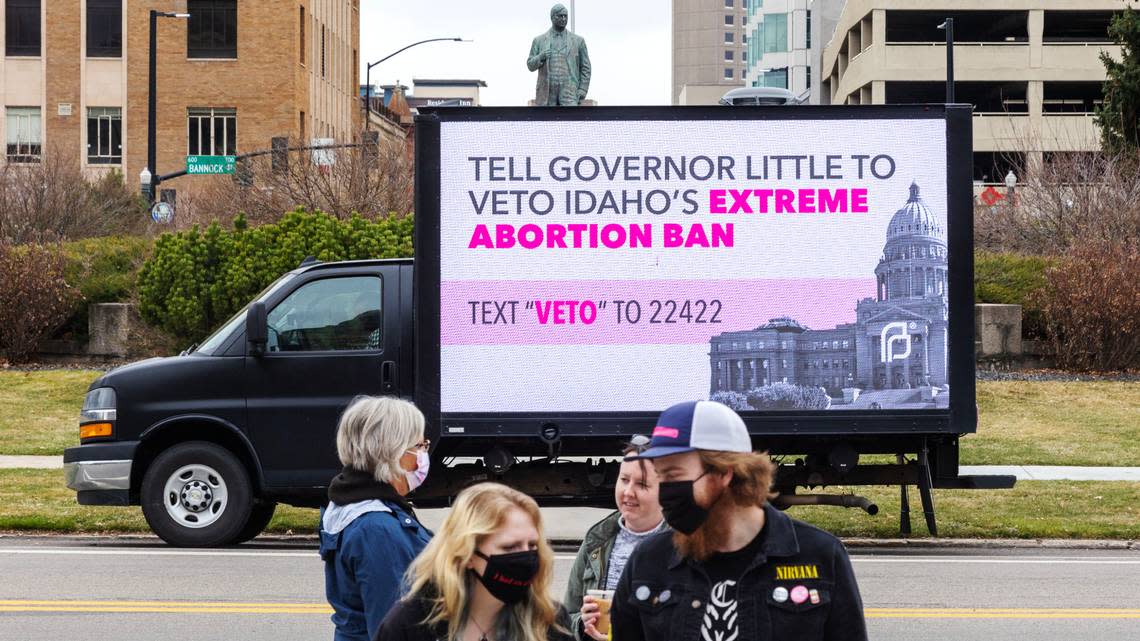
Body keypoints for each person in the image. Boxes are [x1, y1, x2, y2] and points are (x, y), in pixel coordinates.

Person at [610, 400, 867, 641]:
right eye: (660, 477)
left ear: (724, 472)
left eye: (673, 475)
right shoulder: (648, 561)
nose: (664, 491)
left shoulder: (820, 556)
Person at [376, 483, 572, 641]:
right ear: (466, 553)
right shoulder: (411, 624)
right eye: (509, 547)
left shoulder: (549, 620)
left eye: (532, 545)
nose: (525, 557)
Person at [320, 396, 434, 641]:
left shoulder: (349, 501)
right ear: (394, 451)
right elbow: (395, 627)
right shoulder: (377, 529)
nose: (423, 453)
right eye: (419, 445)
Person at [565, 437, 667, 641]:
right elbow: (567, 616)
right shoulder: (597, 540)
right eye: (624, 480)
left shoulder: (685, 546)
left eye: (642, 484)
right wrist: (582, 625)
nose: (628, 492)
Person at [527, 3, 591, 106]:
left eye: (565, 16)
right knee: (546, 122)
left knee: (570, 120)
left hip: (569, 92)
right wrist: (540, 57)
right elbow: (530, 65)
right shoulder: (539, 41)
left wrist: (582, 89)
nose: (563, 18)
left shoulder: (578, 41)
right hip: (546, 94)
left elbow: (586, 68)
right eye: (560, 16)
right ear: (552, 17)